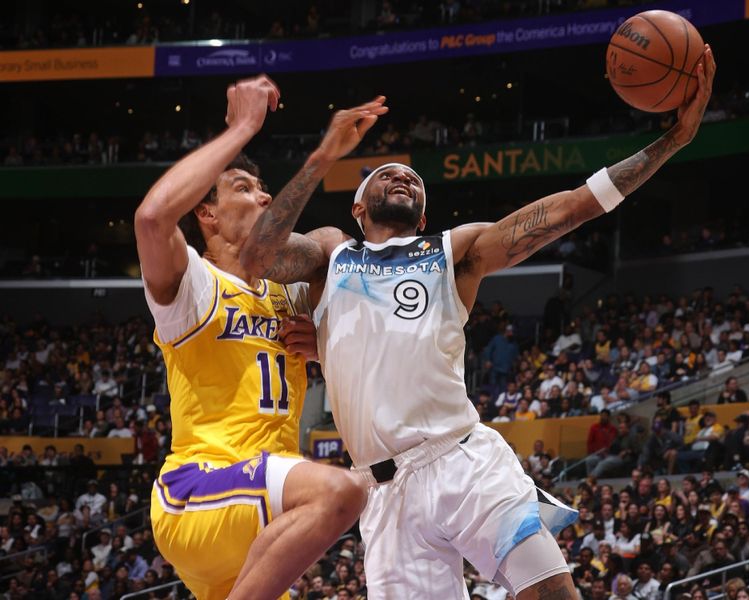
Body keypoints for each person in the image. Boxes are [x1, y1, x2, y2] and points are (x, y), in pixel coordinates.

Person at [240, 47, 716, 600]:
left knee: (554, 594)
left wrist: (673, 140)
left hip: (462, 458)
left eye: (413, 181)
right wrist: (322, 158)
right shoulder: (332, 254)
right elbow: (257, 257)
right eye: (387, 175)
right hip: (382, 489)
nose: (402, 178)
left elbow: (572, 207)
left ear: (423, 217)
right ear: (357, 208)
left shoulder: (454, 250)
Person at [134, 75, 369, 600]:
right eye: (243, 188)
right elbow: (151, 218)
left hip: (260, 521)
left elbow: (333, 246)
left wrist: (328, 342)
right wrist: (242, 127)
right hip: (199, 489)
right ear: (206, 212)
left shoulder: (290, 295)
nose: (262, 195)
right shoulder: (195, 285)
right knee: (344, 491)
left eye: (263, 188)